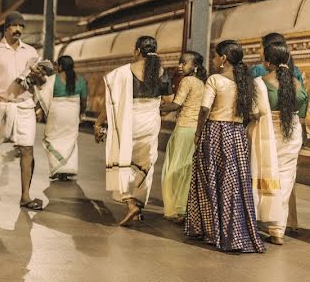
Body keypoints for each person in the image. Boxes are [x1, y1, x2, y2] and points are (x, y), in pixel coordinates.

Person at [185, 40, 265, 253]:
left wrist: (198, 134)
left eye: (215, 55)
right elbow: (255, 113)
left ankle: (212, 231)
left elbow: (204, 110)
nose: (213, 59)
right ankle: (235, 232)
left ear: (223, 59)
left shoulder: (215, 79)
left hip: (214, 133)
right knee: (234, 183)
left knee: (210, 181)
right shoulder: (247, 82)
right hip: (236, 135)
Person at [0, 11, 50, 210]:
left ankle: (25, 196)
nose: (18, 30)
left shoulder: (31, 52)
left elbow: (41, 83)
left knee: (27, 149)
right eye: (14, 25)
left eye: (21, 26)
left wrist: (39, 76)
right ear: (6, 28)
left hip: (24, 106)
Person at [94, 36, 172, 226]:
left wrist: (99, 123)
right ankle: (137, 204)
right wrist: (154, 108)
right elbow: (169, 101)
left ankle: (130, 204)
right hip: (150, 123)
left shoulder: (122, 73)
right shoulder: (161, 73)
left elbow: (110, 103)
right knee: (145, 162)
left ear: (137, 50)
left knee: (125, 162)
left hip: (128, 122)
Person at [250, 42, 307, 246]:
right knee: (285, 180)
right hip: (292, 134)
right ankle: (277, 230)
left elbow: (254, 112)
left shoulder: (260, 82)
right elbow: (301, 113)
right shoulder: (297, 83)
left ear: (267, 61)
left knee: (265, 174)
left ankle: (259, 217)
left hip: (269, 132)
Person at [158, 51, 207, 223]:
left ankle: (176, 209)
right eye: (180, 62)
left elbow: (175, 105)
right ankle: (184, 208)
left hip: (184, 128)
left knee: (173, 170)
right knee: (187, 169)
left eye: (184, 63)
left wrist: (155, 107)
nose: (180, 66)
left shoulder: (187, 81)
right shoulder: (202, 83)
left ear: (195, 67)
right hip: (194, 130)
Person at [37, 55, 87, 182]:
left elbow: (43, 93)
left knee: (52, 139)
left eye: (56, 65)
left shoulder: (53, 79)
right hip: (73, 113)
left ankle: (57, 169)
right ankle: (68, 170)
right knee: (70, 141)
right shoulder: (80, 80)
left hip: (57, 113)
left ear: (60, 66)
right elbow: (84, 101)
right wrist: (81, 113)